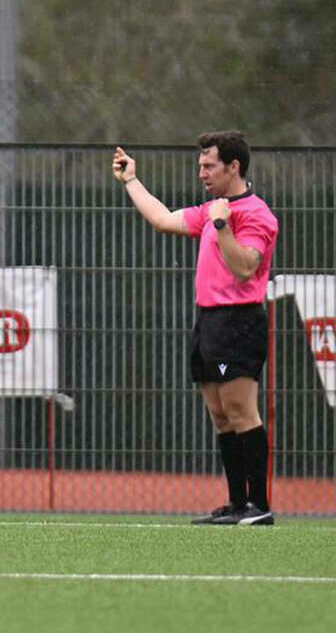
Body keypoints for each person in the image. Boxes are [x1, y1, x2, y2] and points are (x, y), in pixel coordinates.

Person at [114, 133, 279, 525]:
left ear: (233, 167)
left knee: (241, 410)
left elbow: (245, 267)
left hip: (238, 322)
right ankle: (239, 504)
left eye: (209, 165)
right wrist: (131, 180)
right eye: (201, 165)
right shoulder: (211, 209)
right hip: (209, 323)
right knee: (221, 415)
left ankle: (259, 506)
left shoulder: (255, 214)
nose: (201, 172)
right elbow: (162, 219)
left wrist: (222, 225)